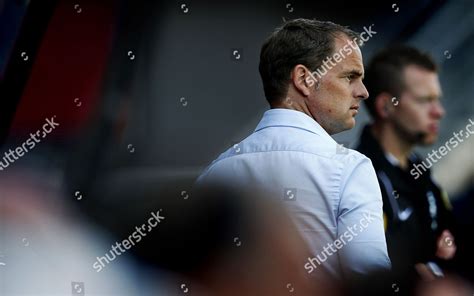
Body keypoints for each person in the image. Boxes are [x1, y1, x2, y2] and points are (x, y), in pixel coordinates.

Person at [197, 18, 391, 279]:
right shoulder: (350, 168)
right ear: (303, 79)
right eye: (350, 77)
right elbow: (371, 282)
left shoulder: (213, 174)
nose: (364, 92)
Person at [356, 46, 456, 279]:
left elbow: (452, 233)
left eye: (437, 100)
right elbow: (375, 275)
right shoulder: (360, 179)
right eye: (425, 100)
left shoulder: (419, 169)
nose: (439, 112)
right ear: (386, 106)